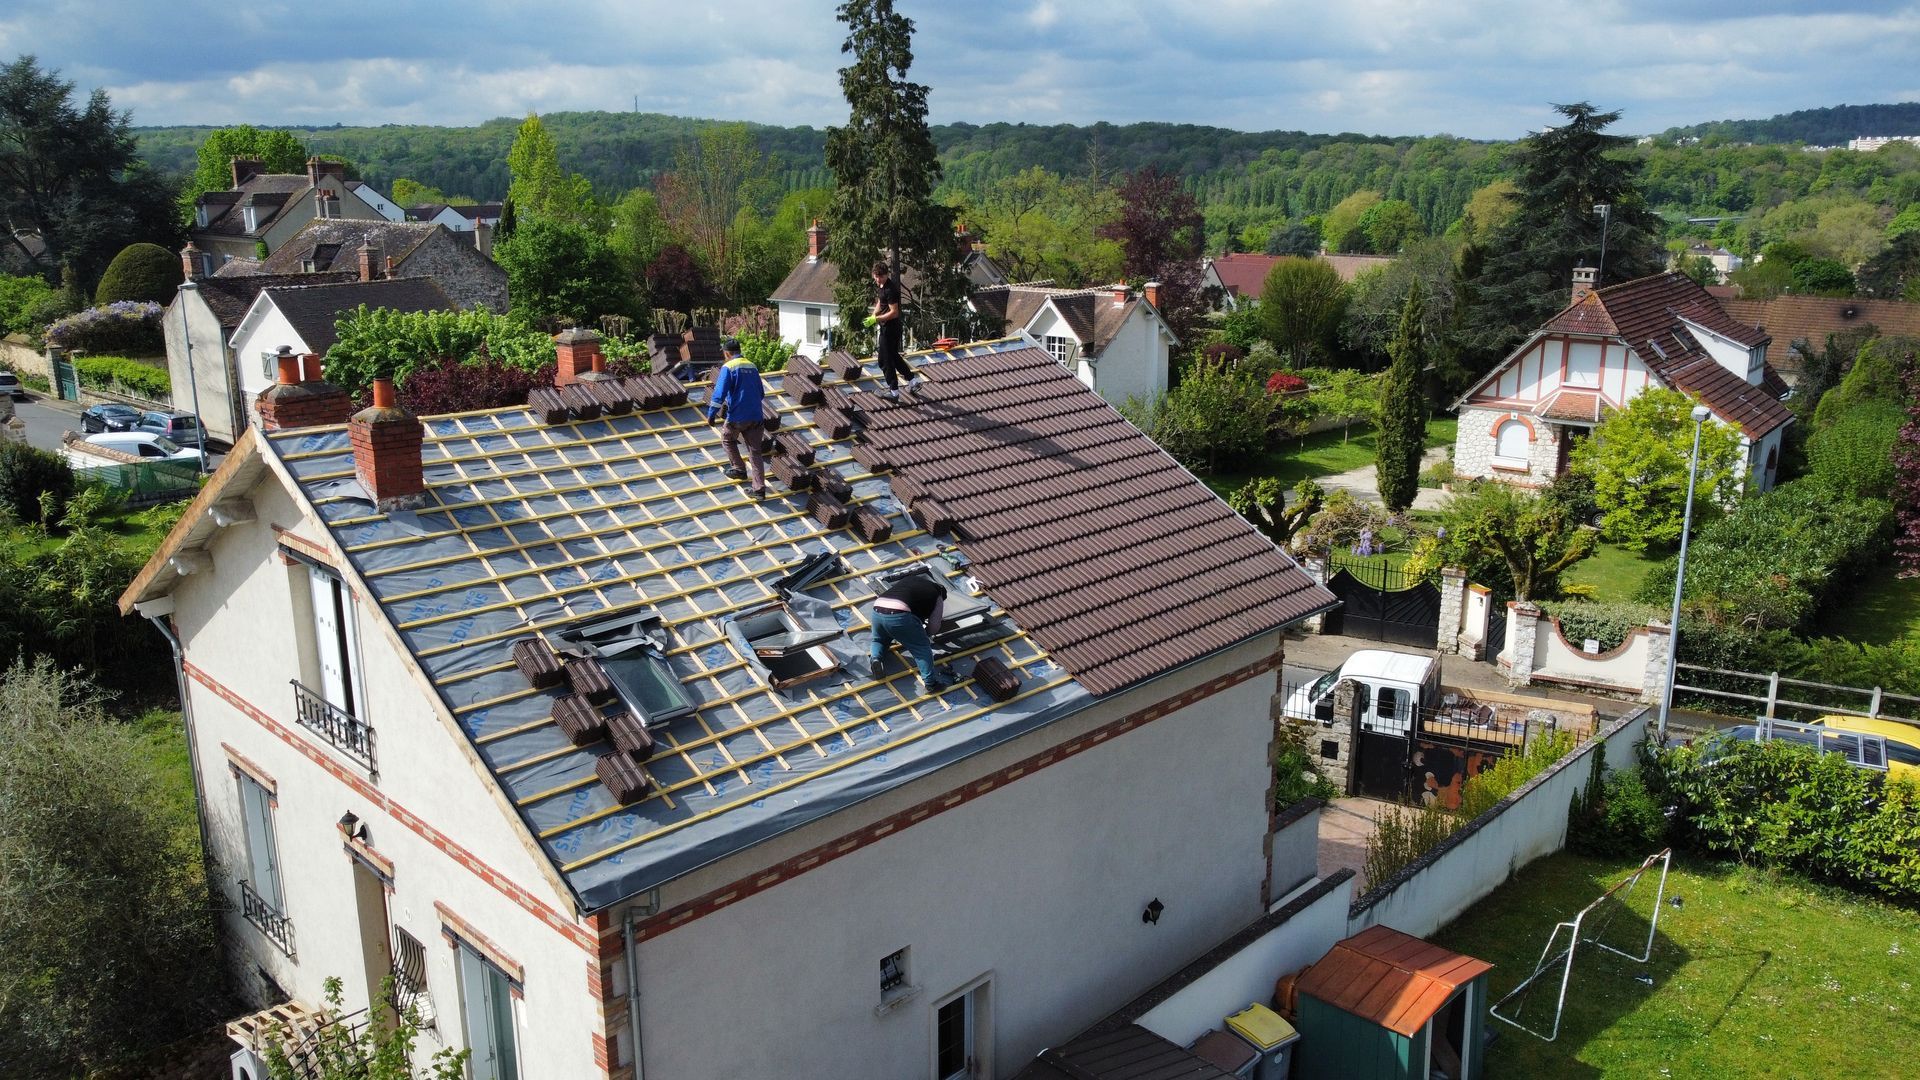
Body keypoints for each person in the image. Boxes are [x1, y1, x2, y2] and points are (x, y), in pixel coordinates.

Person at [869, 573, 953, 692]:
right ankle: (931, 684)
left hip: (878, 608)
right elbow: (934, 627)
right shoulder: (938, 596)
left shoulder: (911, 580)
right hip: (899, 614)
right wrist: (922, 635)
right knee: (921, 648)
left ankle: (876, 658)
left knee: (879, 639)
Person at [705, 337, 767, 498]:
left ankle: (739, 469)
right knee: (755, 453)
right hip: (757, 416)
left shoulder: (728, 367)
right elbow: (761, 393)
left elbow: (719, 394)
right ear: (739, 351)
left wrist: (711, 415)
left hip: (738, 416)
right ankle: (759, 489)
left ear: (727, 353)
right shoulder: (752, 366)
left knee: (727, 438)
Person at [866, 260, 916, 399]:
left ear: (886, 275)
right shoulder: (881, 286)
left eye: (880, 276)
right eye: (876, 276)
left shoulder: (890, 289)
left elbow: (894, 312)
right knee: (893, 356)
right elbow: (880, 303)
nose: (877, 279)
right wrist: (873, 315)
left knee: (884, 360)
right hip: (887, 327)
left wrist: (877, 319)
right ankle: (912, 381)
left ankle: (894, 392)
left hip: (890, 329)